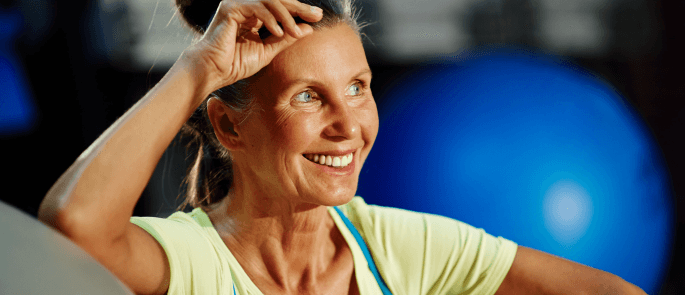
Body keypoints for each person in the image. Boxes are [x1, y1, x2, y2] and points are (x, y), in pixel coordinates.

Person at [38, 0, 648, 294]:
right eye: (308, 97)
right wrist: (198, 67)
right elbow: (74, 225)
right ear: (228, 128)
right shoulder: (193, 261)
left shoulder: (399, 248)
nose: (347, 124)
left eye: (358, 88)